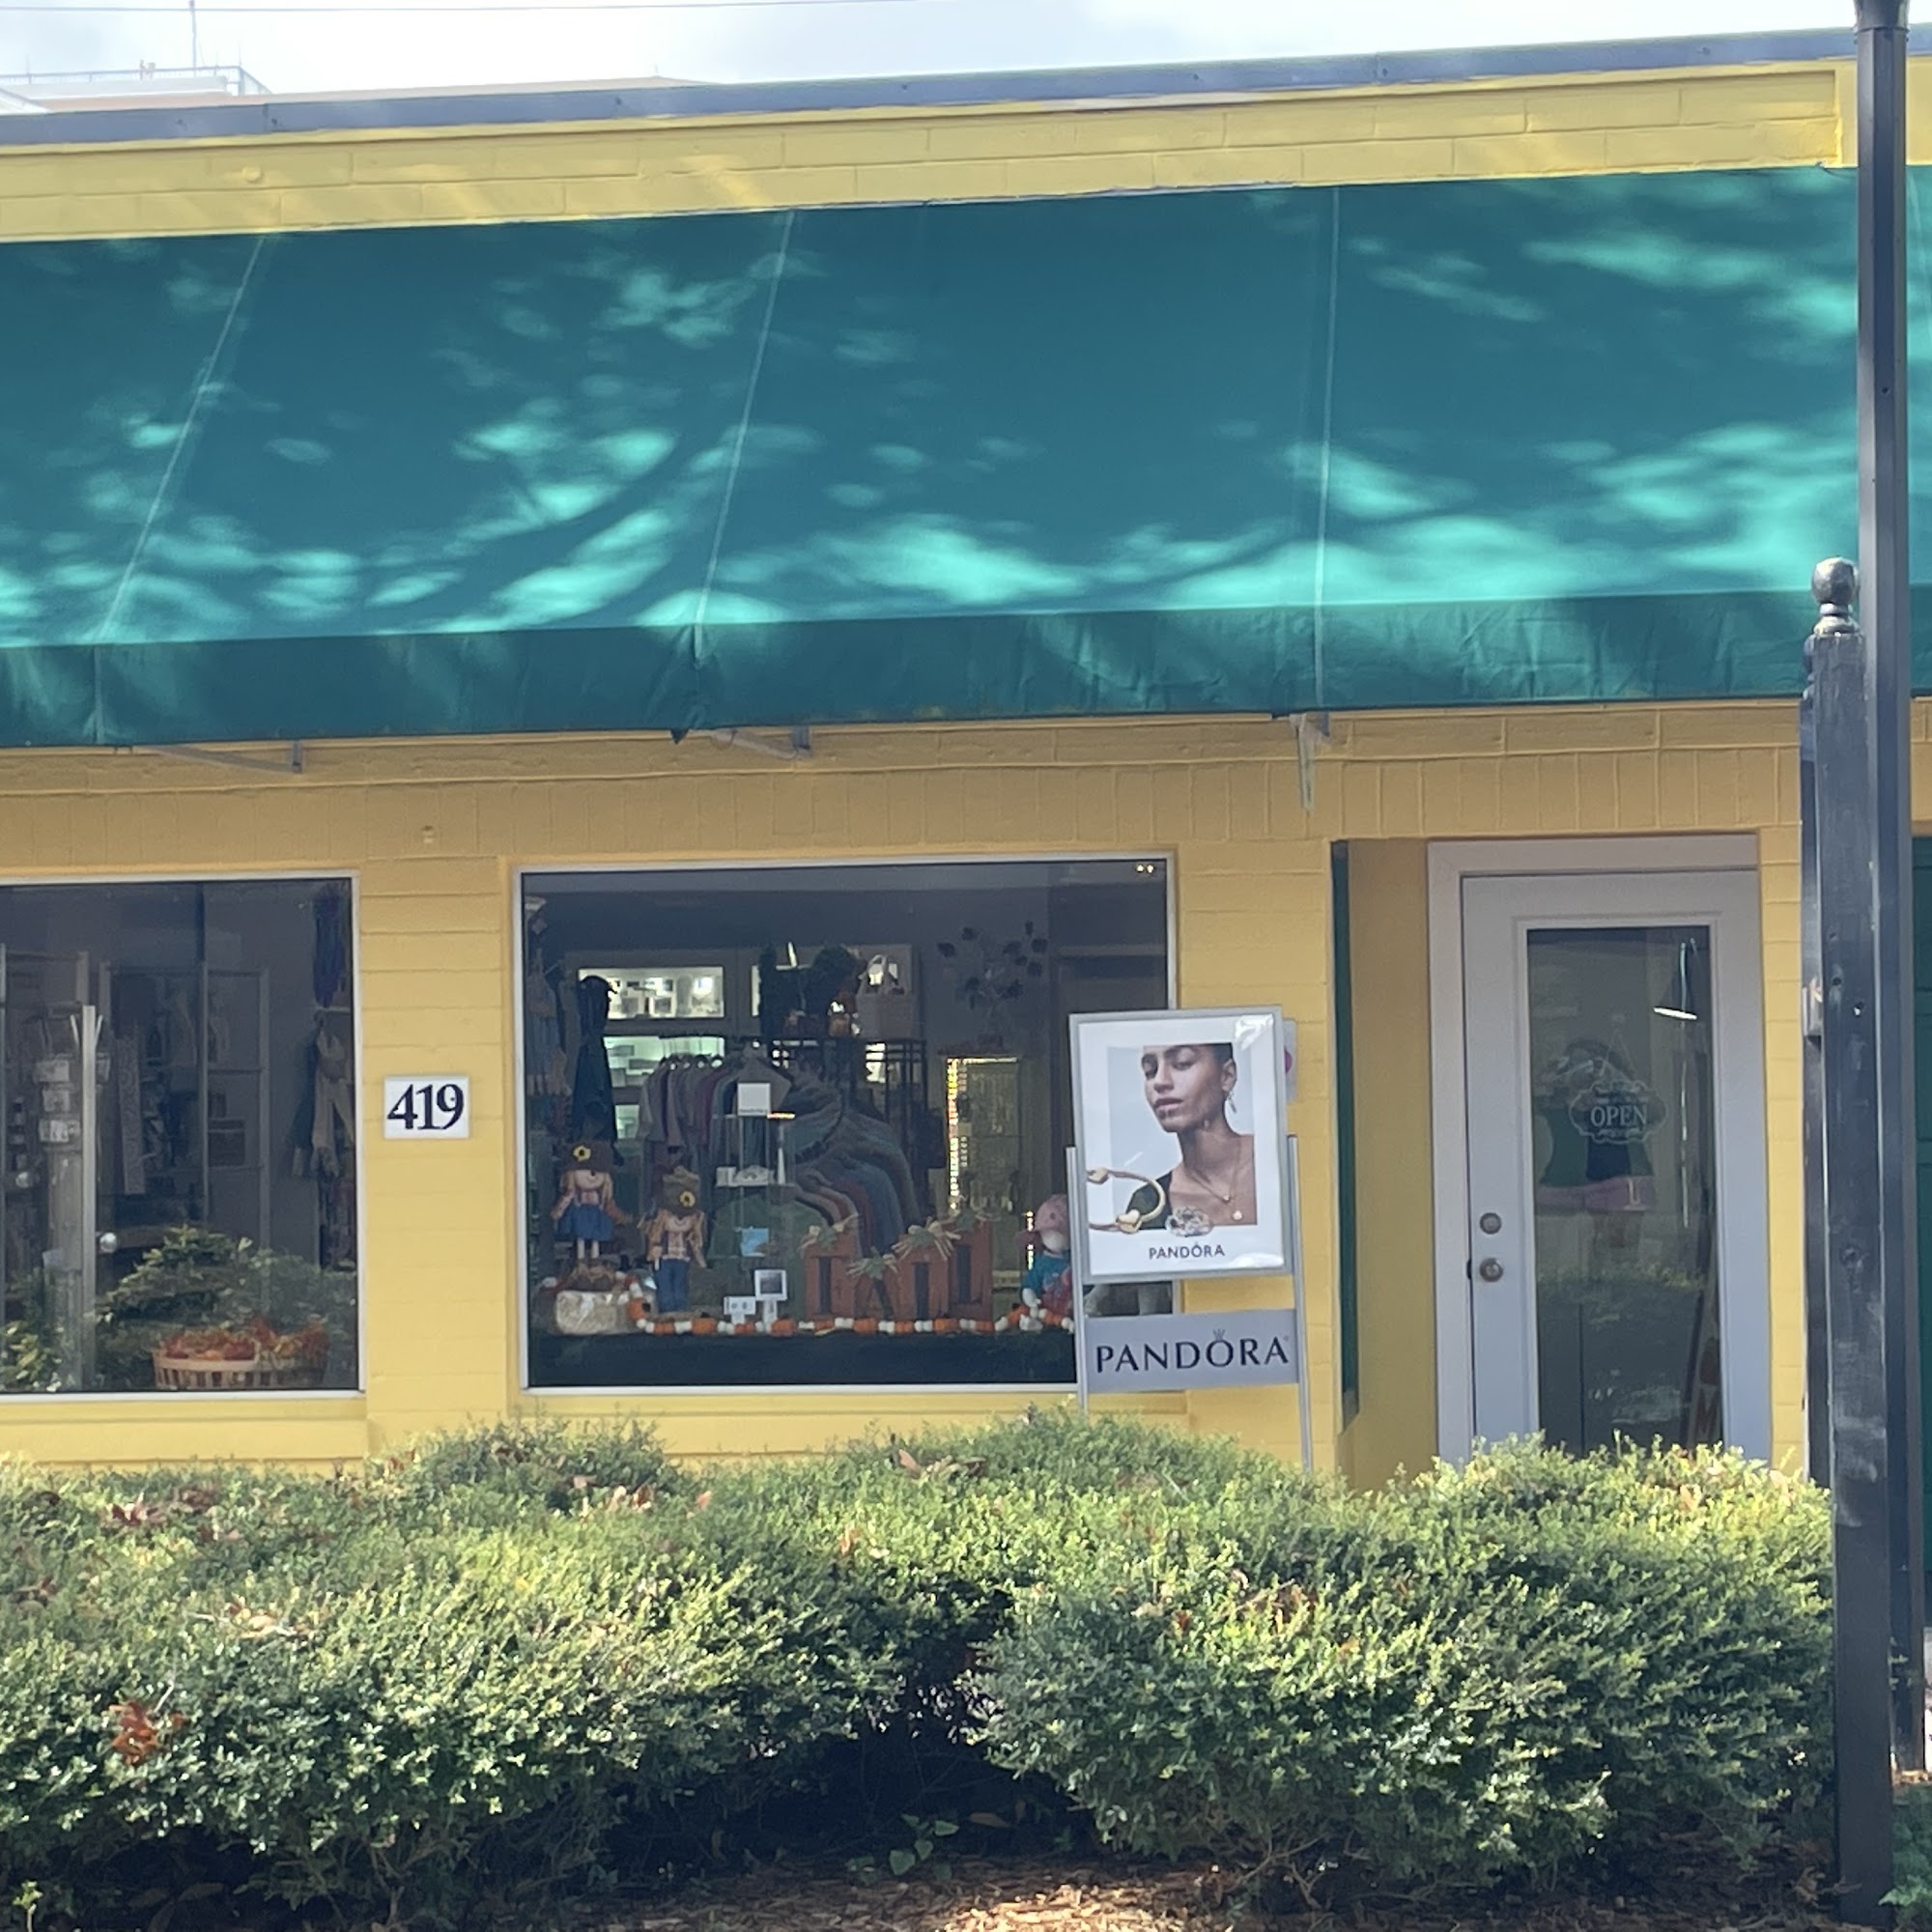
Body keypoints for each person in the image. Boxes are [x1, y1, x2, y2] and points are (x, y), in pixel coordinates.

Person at [1124, 1043, 1257, 1234]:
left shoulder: (1277, 1164)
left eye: (1182, 1063)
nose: (1159, 1082)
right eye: (1150, 1071)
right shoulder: (1148, 1206)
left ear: (1226, 1076)